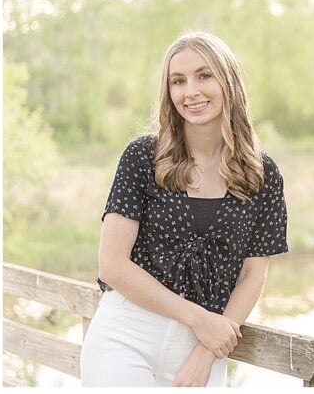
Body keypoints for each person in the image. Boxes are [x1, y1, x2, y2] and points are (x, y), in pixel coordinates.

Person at [80, 32, 288, 386]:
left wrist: (207, 351)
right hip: (127, 334)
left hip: (203, 347)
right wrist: (198, 318)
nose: (190, 91)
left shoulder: (261, 174)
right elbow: (112, 265)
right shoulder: (143, 157)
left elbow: (253, 276)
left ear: (229, 82)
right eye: (178, 81)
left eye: (203, 75)